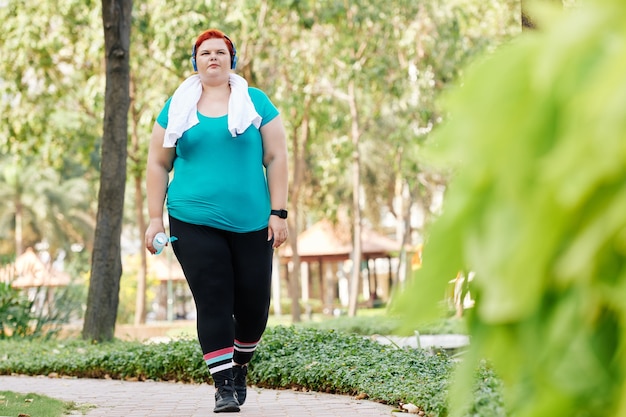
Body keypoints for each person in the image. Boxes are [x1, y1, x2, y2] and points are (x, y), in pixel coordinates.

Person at [144, 28, 288, 413]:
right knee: (213, 298)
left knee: (255, 308)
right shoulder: (177, 107)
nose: (212, 58)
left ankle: (239, 365)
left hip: (253, 222)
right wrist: (154, 219)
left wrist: (279, 213)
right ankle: (223, 386)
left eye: (220, 52)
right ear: (196, 62)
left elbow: (276, 158)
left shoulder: (256, 103)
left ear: (231, 59)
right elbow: (158, 163)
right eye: (205, 53)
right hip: (192, 219)